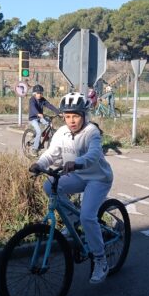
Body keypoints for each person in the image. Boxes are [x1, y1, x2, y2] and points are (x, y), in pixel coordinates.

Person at [29, 92, 113, 284]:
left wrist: (77, 162)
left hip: (98, 178)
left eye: (76, 116)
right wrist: (39, 164)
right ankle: (74, 221)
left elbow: (93, 154)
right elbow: (51, 154)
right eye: (67, 116)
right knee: (49, 186)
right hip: (78, 176)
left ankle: (100, 260)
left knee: (88, 216)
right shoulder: (61, 132)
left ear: (84, 115)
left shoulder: (91, 132)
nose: (71, 121)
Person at [28, 84, 60, 153]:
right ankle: (35, 149)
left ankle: (45, 135)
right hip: (33, 118)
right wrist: (38, 113)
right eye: (38, 93)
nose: (39, 95)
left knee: (49, 123)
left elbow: (49, 106)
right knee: (39, 132)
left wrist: (58, 112)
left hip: (40, 117)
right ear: (34, 93)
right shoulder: (32, 100)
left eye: (41, 93)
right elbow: (33, 108)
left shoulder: (42, 100)